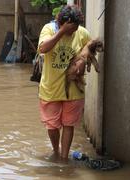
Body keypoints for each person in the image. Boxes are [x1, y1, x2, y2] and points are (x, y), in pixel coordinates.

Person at [38, 5, 96, 162]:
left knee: (68, 124)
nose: (73, 33)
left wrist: (84, 58)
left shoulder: (81, 32)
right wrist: (62, 32)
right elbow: (43, 48)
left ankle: (63, 158)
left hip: (73, 88)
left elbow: (91, 44)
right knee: (52, 126)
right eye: (71, 29)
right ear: (62, 23)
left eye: (74, 29)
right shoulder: (49, 29)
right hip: (51, 88)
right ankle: (56, 151)